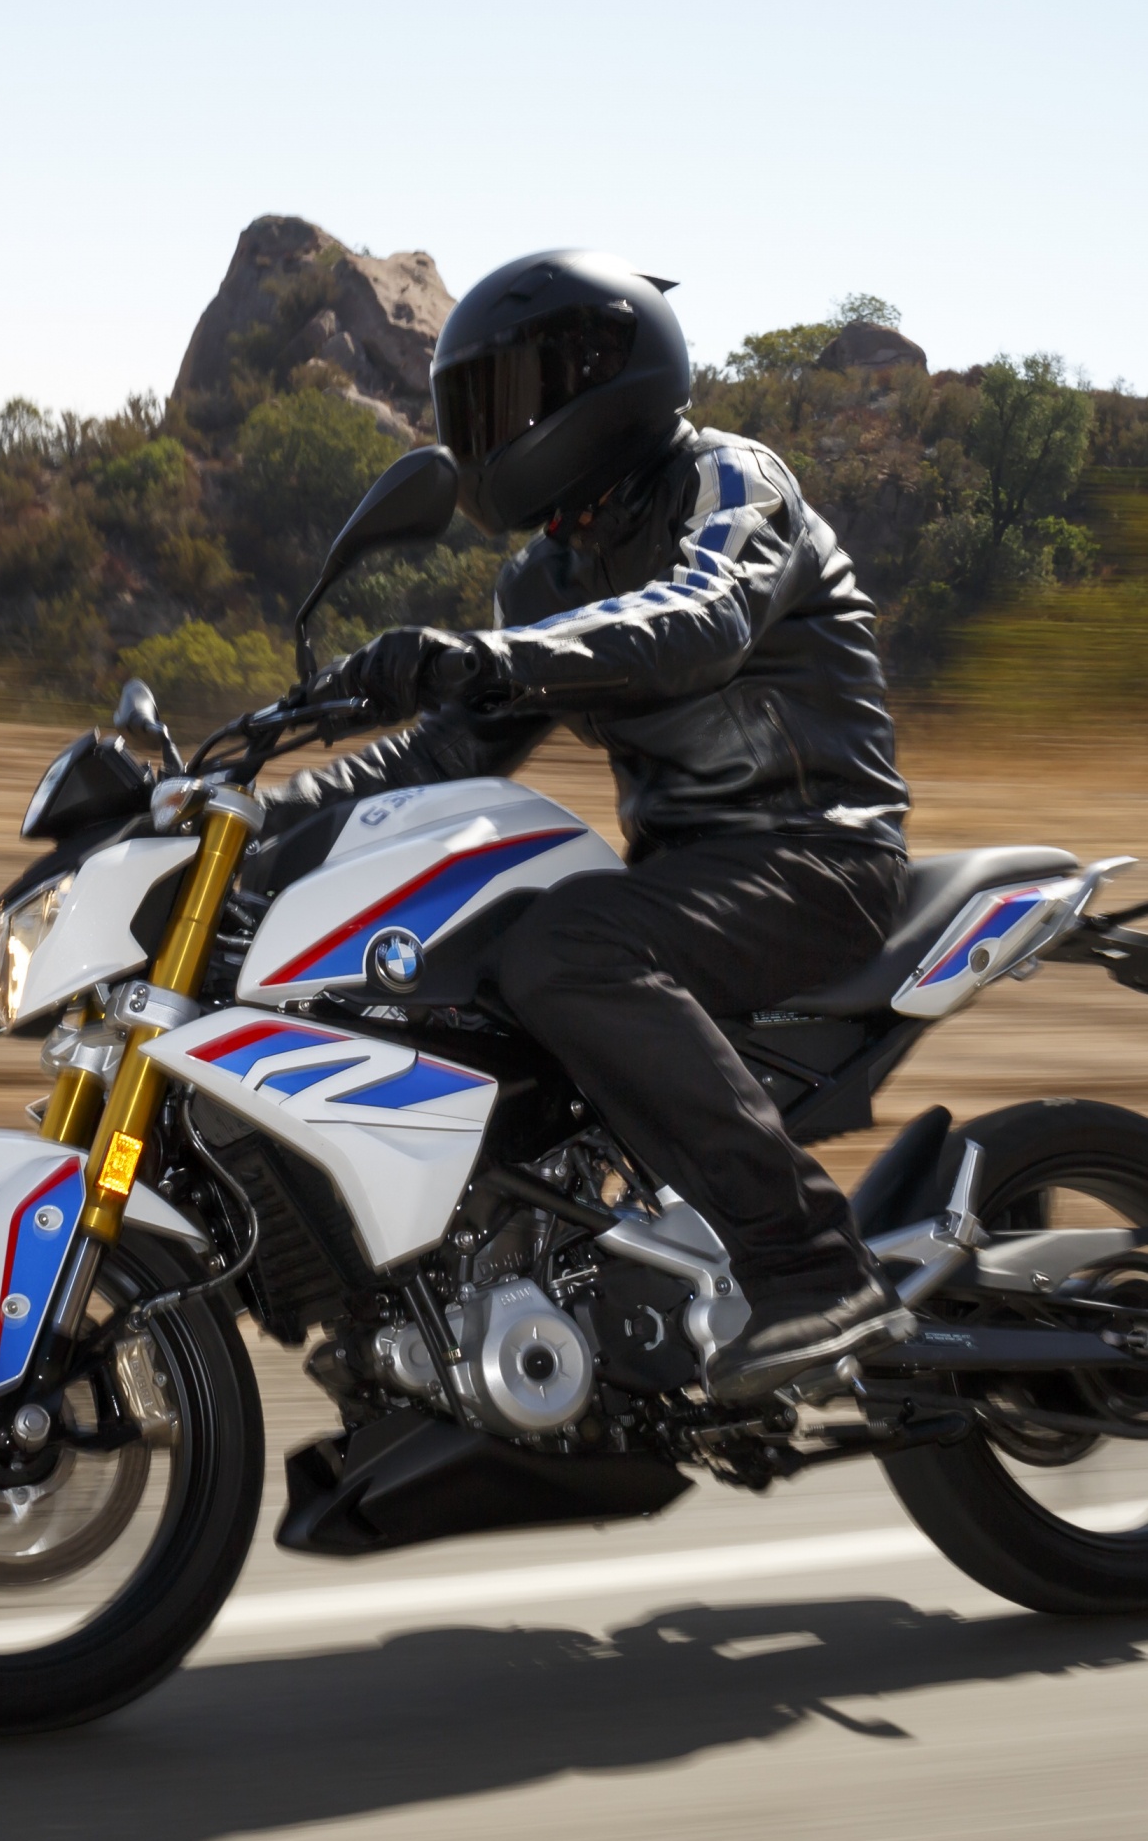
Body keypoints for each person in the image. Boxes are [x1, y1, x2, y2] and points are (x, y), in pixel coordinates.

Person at [287, 249, 912, 1398]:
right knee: (438, 957)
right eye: (479, 404)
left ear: (608, 378)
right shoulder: (542, 581)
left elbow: (702, 615)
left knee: (563, 946)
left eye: (517, 394)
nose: (496, 428)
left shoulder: (732, 482)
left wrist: (483, 656)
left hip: (817, 856)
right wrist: (244, 817)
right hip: (685, 881)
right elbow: (441, 757)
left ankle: (813, 1265)